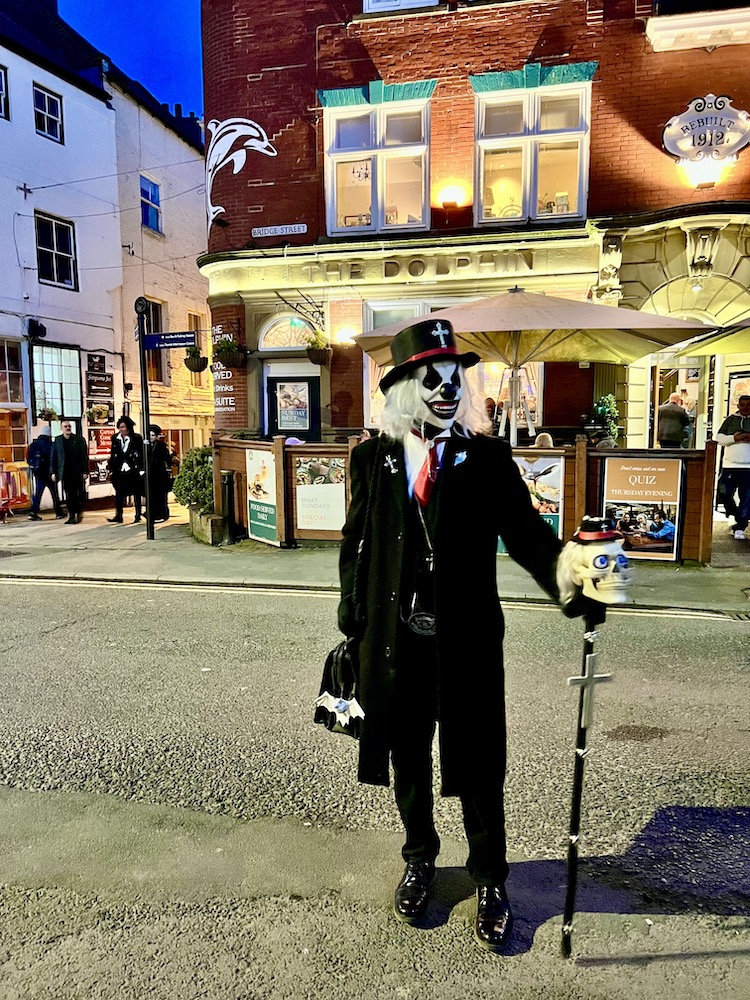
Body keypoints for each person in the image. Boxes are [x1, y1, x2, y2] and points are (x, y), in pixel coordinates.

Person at [337, 318, 600, 954]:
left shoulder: (485, 459)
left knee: (479, 765)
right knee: (408, 759)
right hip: (396, 643)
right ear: (403, 387)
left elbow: (527, 533)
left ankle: (490, 880)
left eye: (456, 377)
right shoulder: (372, 459)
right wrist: (352, 622)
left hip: (468, 643)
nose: (448, 388)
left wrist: (574, 579)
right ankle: (420, 858)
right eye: (434, 378)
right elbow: (356, 543)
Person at [714, 394, 750, 541]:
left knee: (747, 497)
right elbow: (719, 438)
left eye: (748, 405)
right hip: (730, 465)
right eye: (743, 404)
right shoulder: (730, 420)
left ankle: (740, 526)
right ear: (738, 405)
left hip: (748, 466)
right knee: (723, 493)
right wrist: (734, 438)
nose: (745, 407)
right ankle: (736, 515)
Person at [107, 416, 144, 524]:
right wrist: (112, 468)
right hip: (119, 470)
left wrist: (141, 469)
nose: (121, 429)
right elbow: (113, 454)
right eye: (120, 427)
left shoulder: (136, 438)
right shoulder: (115, 438)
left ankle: (138, 515)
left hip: (132, 469)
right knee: (119, 493)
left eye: (123, 427)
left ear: (128, 427)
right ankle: (119, 516)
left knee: (136, 493)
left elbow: (141, 454)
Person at [50, 421, 88, 524]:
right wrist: (53, 472)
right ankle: (71, 516)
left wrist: (85, 471)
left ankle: (79, 512)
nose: (68, 428)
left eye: (69, 426)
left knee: (78, 494)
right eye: (65, 426)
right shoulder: (58, 440)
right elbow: (53, 457)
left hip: (77, 472)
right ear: (61, 428)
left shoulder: (79, 440)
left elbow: (84, 457)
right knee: (69, 495)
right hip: (65, 473)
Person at [27, 426, 63, 520]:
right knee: (55, 494)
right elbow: (55, 459)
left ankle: (33, 512)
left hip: (38, 473)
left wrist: (34, 467)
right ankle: (59, 512)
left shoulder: (33, 445)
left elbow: (29, 459)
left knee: (38, 493)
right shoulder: (51, 445)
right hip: (50, 473)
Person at [147, 424, 172, 522]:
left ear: (156, 436)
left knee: (161, 496)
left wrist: (168, 468)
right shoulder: (146, 445)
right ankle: (152, 514)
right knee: (152, 495)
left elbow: (167, 459)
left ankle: (163, 514)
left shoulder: (161, 446)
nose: (151, 437)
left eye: (153, 435)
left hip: (160, 474)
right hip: (151, 475)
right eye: (149, 435)